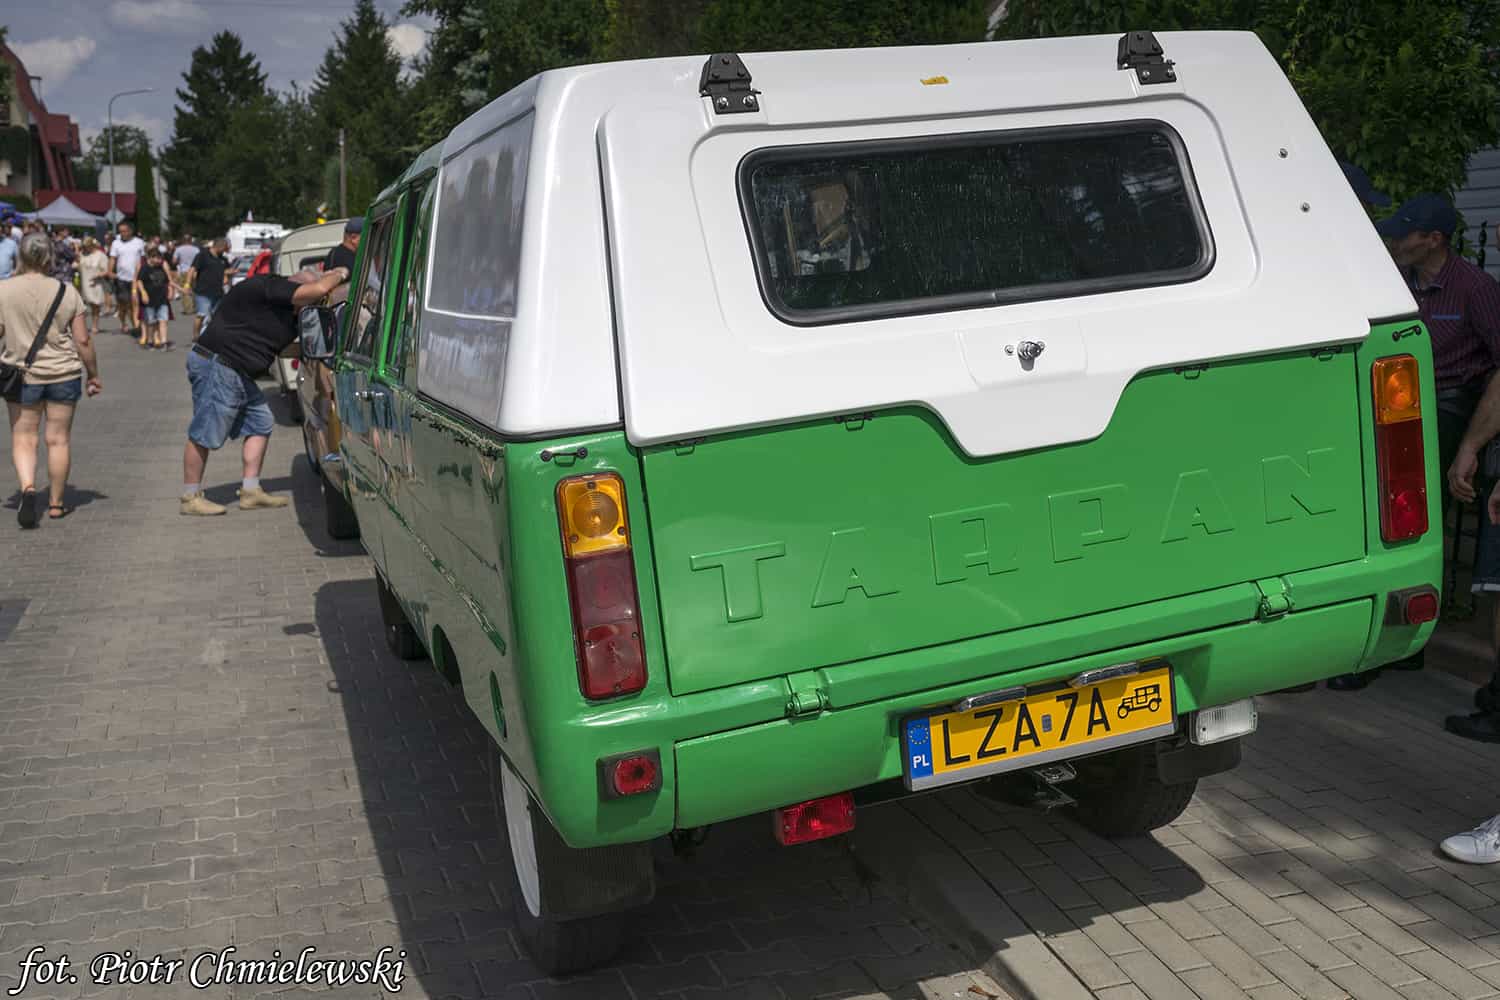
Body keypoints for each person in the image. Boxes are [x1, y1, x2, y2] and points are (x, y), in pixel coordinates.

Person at [180, 263, 350, 515]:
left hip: (236, 370)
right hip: (218, 363)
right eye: (312, 301)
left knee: (261, 421)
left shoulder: (289, 315)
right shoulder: (268, 287)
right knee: (205, 431)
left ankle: (250, 490)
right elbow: (318, 288)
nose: (312, 307)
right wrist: (340, 273)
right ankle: (190, 497)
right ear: (296, 288)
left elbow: (281, 346)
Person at [0, 233, 102, 527]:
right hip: (63, 373)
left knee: (23, 437)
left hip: (20, 375)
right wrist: (93, 374)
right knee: (58, 440)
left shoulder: (4, 290)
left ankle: (29, 489)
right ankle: (56, 503)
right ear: (49, 257)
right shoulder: (66, 291)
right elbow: (82, 340)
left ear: (20, 255)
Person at [106, 222, 146, 336]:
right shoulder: (116, 243)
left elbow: (143, 259)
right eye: (120, 231)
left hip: (136, 278)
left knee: (134, 303)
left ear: (130, 231)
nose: (122, 233)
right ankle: (123, 322)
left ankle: (137, 327)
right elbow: (112, 258)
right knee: (123, 304)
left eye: (125, 231)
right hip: (121, 278)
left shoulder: (139, 242)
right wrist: (110, 271)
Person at [134, 248, 176, 350]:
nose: (160, 261)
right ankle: (149, 341)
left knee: (163, 320)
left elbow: (168, 281)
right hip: (149, 301)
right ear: (151, 258)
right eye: (157, 258)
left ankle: (163, 342)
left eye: (160, 258)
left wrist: (176, 290)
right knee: (151, 321)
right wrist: (143, 293)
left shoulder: (162, 267)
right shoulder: (145, 268)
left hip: (162, 299)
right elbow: (139, 281)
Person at [188, 239, 229, 340]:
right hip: (203, 292)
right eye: (224, 249)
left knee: (217, 316)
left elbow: (226, 271)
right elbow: (192, 270)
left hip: (218, 292)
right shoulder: (202, 256)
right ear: (218, 246)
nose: (225, 251)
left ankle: (212, 336)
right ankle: (196, 336)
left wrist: (228, 274)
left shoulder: (223, 259)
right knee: (202, 314)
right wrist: (187, 284)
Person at [76, 238, 109, 336]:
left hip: (95, 284)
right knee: (81, 307)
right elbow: (78, 265)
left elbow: (106, 271)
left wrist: (98, 275)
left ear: (92, 246)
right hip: (83, 284)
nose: (85, 249)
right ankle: (81, 327)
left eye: (87, 247)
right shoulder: (82, 254)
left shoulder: (100, 255)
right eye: (84, 247)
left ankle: (95, 325)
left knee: (95, 305)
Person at [173, 234, 199, 315]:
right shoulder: (196, 249)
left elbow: (174, 261)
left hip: (184, 271)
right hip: (195, 271)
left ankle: (188, 309)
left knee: (185, 290)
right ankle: (196, 307)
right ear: (191, 240)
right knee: (195, 289)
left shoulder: (179, 249)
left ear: (183, 240)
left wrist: (179, 261)